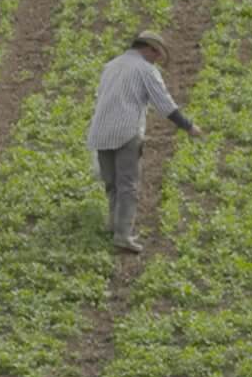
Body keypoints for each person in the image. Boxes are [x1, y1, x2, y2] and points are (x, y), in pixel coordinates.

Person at [84, 30, 204, 254]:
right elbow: (165, 104)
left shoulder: (111, 66)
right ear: (150, 49)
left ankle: (114, 225)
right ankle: (123, 235)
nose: (157, 60)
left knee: (112, 183)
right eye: (157, 55)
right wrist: (188, 126)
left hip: (100, 131)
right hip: (126, 132)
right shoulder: (146, 70)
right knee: (128, 185)